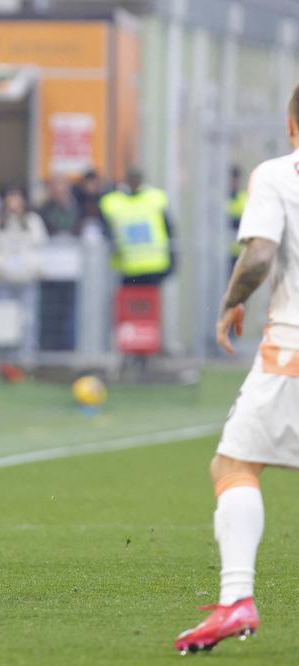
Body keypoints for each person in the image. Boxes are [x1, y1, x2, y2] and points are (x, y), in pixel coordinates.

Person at [173, 85, 299, 655]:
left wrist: (231, 300)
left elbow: (261, 255)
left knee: (234, 465)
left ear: (292, 125)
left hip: (291, 353)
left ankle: (237, 599)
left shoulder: (279, 174)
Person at [0, 187, 47, 360]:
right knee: (4, 319)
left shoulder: (33, 221)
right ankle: (4, 361)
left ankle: (27, 361)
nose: (14, 203)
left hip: (27, 280)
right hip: (3, 279)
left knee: (29, 321)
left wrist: (33, 267)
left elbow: (42, 249)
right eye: (11, 199)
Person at [99, 168, 174, 285]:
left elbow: (169, 230)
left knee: (149, 300)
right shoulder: (113, 202)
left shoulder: (155, 198)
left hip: (154, 267)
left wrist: (172, 261)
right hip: (126, 266)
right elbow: (106, 230)